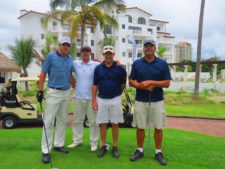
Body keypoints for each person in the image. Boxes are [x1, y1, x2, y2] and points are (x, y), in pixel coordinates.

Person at [129, 39, 171, 165]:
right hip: (141, 100)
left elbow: (167, 83)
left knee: (158, 127)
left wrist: (151, 82)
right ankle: (139, 150)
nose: (148, 48)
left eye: (151, 46)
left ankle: (158, 152)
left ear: (155, 48)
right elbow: (131, 81)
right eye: (146, 46)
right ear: (143, 49)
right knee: (140, 126)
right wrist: (142, 86)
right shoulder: (137, 63)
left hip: (157, 100)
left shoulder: (162, 63)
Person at [36, 37, 75, 164]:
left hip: (66, 92)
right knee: (48, 121)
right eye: (64, 45)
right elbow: (42, 74)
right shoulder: (51, 56)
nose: (65, 47)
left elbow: (70, 76)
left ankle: (59, 144)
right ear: (59, 45)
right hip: (53, 92)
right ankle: (45, 150)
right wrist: (40, 90)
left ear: (69, 47)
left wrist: (76, 87)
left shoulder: (70, 59)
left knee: (63, 120)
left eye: (67, 45)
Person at [92, 45, 127, 158]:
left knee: (115, 123)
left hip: (115, 99)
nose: (108, 55)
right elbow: (95, 85)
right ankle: (103, 146)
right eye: (106, 53)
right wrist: (94, 100)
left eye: (110, 53)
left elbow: (123, 84)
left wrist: (117, 94)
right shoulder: (98, 68)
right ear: (103, 54)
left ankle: (115, 146)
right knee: (102, 123)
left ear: (113, 54)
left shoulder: (120, 68)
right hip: (101, 99)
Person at [67, 45, 100, 151]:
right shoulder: (75, 63)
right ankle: (77, 141)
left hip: (92, 98)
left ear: (90, 53)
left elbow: (106, 67)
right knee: (77, 120)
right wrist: (73, 84)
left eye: (87, 51)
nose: (85, 53)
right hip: (78, 97)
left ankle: (94, 143)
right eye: (83, 51)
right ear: (80, 53)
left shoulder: (96, 65)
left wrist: (117, 63)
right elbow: (67, 71)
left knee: (93, 122)